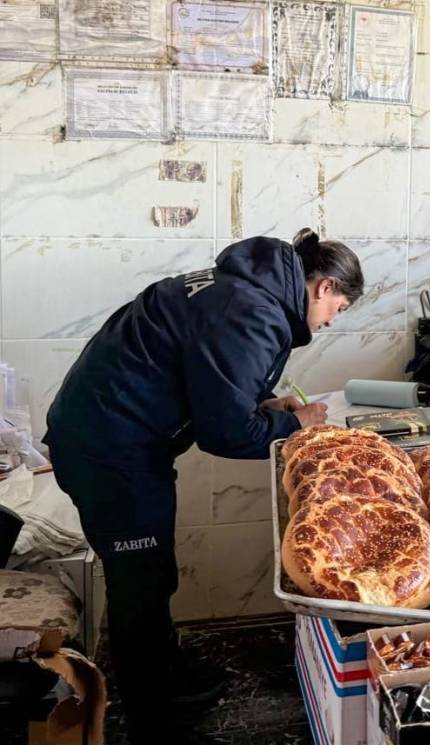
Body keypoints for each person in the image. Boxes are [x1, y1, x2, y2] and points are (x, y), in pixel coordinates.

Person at [43, 229, 363, 742]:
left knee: (153, 572)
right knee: (139, 584)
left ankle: (168, 676)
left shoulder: (241, 287)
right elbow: (226, 434)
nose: (328, 323)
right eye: (339, 309)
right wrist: (297, 426)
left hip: (114, 438)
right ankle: (153, 720)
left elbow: (214, 383)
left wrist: (268, 407)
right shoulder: (253, 311)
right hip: (109, 450)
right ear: (324, 287)